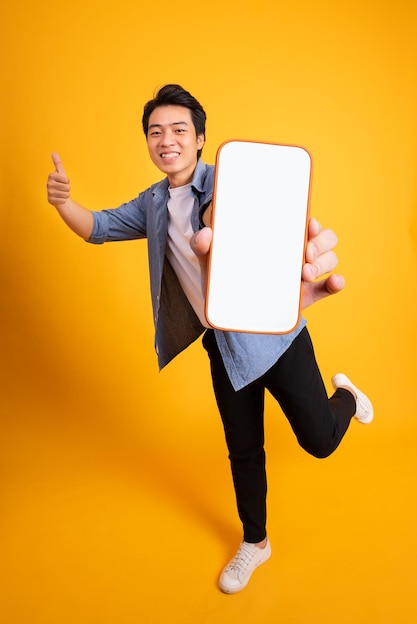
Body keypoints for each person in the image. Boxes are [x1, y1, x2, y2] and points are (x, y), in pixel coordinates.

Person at [47, 84, 373, 594]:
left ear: (200, 139)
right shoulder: (153, 204)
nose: (166, 140)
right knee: (243, 449)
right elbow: (99, 228)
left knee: (320, 442)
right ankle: (256, 541)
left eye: (179, 130)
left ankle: (348, 396)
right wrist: (64, 203)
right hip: (221, 347)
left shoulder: (228, 180)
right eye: (156, 132)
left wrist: (231, 224)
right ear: (149, 143)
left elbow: (250, 214)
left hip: (276, 337)